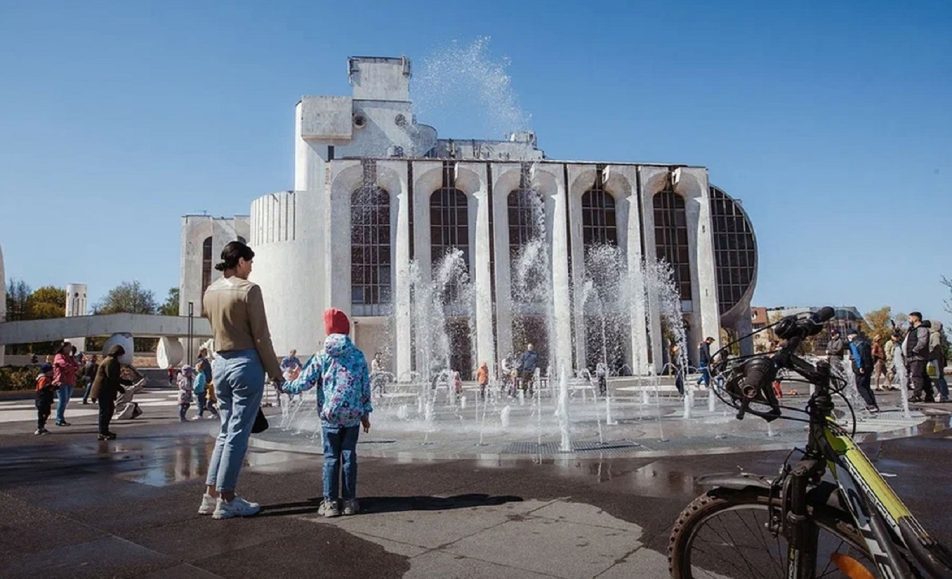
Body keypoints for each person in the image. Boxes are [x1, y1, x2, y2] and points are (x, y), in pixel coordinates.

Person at [199, 240, 284, 520]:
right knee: (238, 433)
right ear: (241, 262)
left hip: (219, 363)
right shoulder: (249, 290)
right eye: (249, 262)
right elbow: (261, 335)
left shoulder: (210, 291)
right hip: (245, 362)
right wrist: (275, 372)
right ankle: (228, 498)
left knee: (225, 430)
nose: (251, 268)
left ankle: (210, 495)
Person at [282, 308, 372, 518]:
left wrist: (284, 385)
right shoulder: (358, 355)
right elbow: (364, 387)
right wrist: (366, 414)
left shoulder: (322, 356)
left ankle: (330, 503)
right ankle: (349, 502)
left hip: (329, 416)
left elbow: (304, 382)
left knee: (331, 457)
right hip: (352, 416)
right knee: (349, 456)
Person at [90, 345, 132, 440]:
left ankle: (105, 430)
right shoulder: (110, 361)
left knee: (108, 410)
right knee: (105, 411)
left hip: (106, 389)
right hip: (104, 390)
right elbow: (112, 377)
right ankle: (102, 432)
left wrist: (120, 385)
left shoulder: (109, 360)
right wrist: (122, 385)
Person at [904, 312, 933, 403]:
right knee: (923, 376)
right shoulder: (913, 330)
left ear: (915, 318)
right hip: (913, 357)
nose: (909, 320)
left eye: (910, 318)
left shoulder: (922, 329)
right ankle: (929, 395)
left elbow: (922, 342)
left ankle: (917, 395)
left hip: (917, 357)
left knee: (917, 377)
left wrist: (914, 350)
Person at [847, 330, 878, 412]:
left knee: (861, 387)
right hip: (869, 366)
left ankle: (871, 405)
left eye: (848, 336)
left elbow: (857, 356)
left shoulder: (853, 344)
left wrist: (860, 366)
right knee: (867, 386)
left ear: (851, 336)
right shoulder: (865, 342)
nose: (848, 338)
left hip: (860, 368)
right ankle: (874, 405)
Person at [52, 341, 80, 426]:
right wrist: (72, 367)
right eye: (68, 347)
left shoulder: (70, 357)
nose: (70, 348)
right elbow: (64, 364)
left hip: (70, 381)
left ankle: (61, 418)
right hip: (61, 381)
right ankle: (59, 419)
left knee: (66, 401)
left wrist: (72, 366)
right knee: (62, 400)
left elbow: (76, 366)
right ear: (63, 347)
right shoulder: (59, 356)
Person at [928, 320, 949, 403]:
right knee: (936, 376)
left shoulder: (935, 335)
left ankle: (943, 394)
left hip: (935, 359)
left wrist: (932, 356)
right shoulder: (935, 334)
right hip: (936, 358)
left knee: (938, 377)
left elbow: (936, 347)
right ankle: (942, 393)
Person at [194, 348, 218, 417]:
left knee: (204, 399)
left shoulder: (205, 361)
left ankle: (201, 413)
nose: (205, 353)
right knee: (203, 398)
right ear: (201, 352)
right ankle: (203, 412)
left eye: (206, 352)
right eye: (204, 352)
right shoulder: (202, 361)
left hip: (206, 381)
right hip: (205, 381)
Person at [34, 363, 56, 435]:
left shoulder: (48, 378)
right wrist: (51, 385)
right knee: (42, 413)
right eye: (51, 370)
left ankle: (42, 427)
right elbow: (42, 388)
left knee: (47, 412)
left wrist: (55, 387)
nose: (52, 372)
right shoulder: (43, 378)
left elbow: (50, 388)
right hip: (42, 399)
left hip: (46, 399)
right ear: (46, 371)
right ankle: (40, 427)